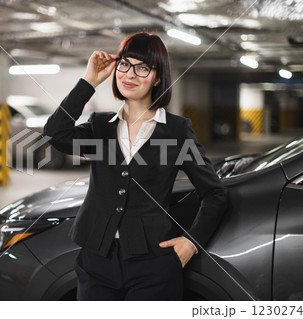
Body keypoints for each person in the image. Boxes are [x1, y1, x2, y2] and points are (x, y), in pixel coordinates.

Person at [43, 32, 227, 301]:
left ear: (158, 77)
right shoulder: (100, 126)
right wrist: (89, 81)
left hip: (154, 263)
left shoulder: (177, 131)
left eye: (142, 68)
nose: (130, 74)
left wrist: (192, 242)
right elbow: (55, 134)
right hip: (97, 260)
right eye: (125, 64)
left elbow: (214, 193)